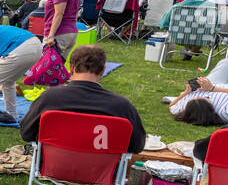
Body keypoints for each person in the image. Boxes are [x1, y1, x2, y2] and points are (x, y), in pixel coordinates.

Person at [18, 44, 146, 152]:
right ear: (102, 71)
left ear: (71, 69)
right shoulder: (121, 106)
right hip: (102, 171)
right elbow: (137, 146)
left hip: (54, 167)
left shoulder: (49, 98)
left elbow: (26, 133)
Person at [166, 55, 228, 127]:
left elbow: (172, 105)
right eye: (205, 98)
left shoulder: (184, 109)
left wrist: (186, 93)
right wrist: (212, 89)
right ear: (210, 108)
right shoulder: (226, 112)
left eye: (195, 98)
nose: (199, 96)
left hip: (210, 85)